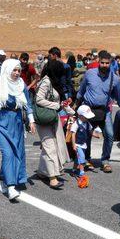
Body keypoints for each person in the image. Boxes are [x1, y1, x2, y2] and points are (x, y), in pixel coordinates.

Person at [0, 59, 36, 201]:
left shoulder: (21, 85)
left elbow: (28, 105)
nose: (17, 73)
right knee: (8, 153)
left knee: (17, 152)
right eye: (14, 70)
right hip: (1, 123)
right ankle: (11, 187)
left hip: (17, 123)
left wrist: (31, 120)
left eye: (19, 70)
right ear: (7, 70)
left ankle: (2, 180)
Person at [76, 51, 120, 173]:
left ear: (111, 63)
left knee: (109, 135)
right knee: (86, 136)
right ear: (98, 62)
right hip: (89, 110)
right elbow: (81, 92)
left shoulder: (115, 79)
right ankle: (86, 159)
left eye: (107, 63)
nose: (104, 65)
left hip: (105, 111)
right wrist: (75, 107)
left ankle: (105, 160)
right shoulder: (89, 74)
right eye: (102, 62)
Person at [34, 60, 70, 190]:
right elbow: (39, 99)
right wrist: (56, 106)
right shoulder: (46, 82)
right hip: (44, 119)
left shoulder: (55, 82)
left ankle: (42, 171)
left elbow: (59, 101)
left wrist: (70, 110)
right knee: (50, 146)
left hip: (53, 118)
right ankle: (53, 178)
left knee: (52, 146)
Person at [70, 105, 98, 182]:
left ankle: (73, 170)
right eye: (86, 116)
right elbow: (73, 134)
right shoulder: (76, 124)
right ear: (80, 115)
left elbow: (90, 131)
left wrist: (95, 135)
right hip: (78, 144)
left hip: (84, 145)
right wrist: (73, 144)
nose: (87, 118)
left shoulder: (88, 123)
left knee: (77, 159)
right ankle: (81, 173)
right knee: (82, 158)